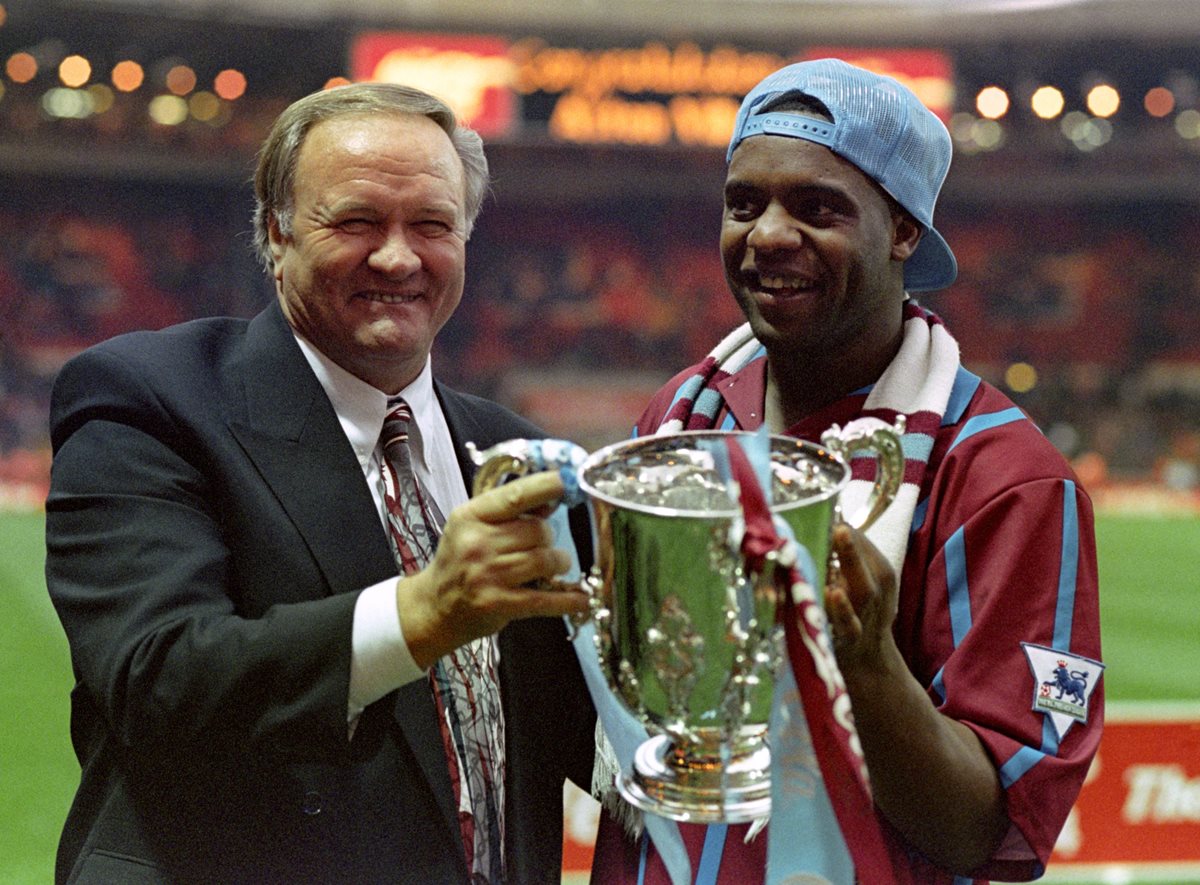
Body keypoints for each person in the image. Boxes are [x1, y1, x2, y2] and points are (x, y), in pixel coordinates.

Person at [44, 82, 595, 884]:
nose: (400, 256)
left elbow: (577, 732)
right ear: (277, 230)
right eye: (358, 221)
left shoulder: (515, 450)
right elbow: (156, 675)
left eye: (433, 224)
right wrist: (427, 611)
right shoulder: (150, 397)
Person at [589, 58, 1103, 884]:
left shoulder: (1004, 475)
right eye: (744, 203)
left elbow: (990, 830)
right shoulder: (680, 419)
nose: (767, 235)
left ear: (904, 230)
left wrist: (863, 660)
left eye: (818, 207)